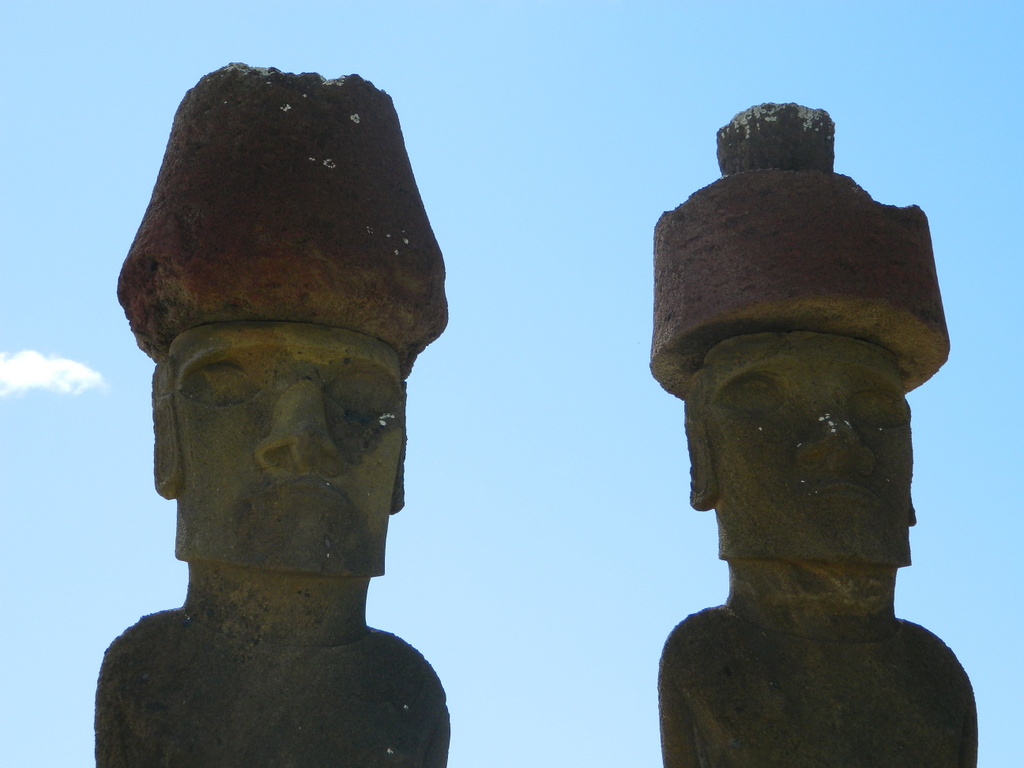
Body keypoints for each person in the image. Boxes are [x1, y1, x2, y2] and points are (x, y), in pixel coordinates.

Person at [96, 64, 449, 768]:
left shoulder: (402, 694)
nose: (301, 438)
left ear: (402, 461)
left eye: (361, 402)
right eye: (230, 384)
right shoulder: (147, 677)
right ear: (168, 436)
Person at [651, 104, 976, 768]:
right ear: (700, 450)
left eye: (875, 406)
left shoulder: (937, 681)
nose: (838, 441)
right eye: (763, 399)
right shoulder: (709, 664)